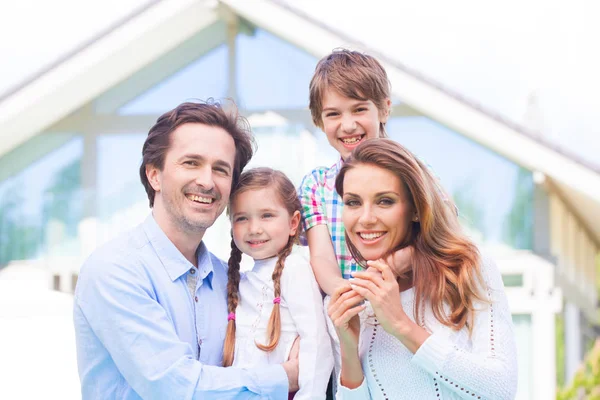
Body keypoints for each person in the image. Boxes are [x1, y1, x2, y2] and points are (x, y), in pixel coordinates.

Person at [73, 101, 299, 399]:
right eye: (191, 163)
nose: (207, 181)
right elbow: (174, 388)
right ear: (154, 175)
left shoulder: (226, 279)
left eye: (221, 169)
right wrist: (287, 377)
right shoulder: (115, 269)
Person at [328, 138, 518, 399]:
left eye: (384, 201)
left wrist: (401, 325)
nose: (366, 218)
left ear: (416, 209)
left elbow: (500, 389)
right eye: (353, 202)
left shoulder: (467, 270)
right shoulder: (350, 302)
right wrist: (349, 351)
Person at [223, 167, 333, 399]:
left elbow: (317, 342)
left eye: (267, 215)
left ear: (294, 223)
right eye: (241, 218)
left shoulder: (295, 268)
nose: (254, 228)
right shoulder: (241, 278)